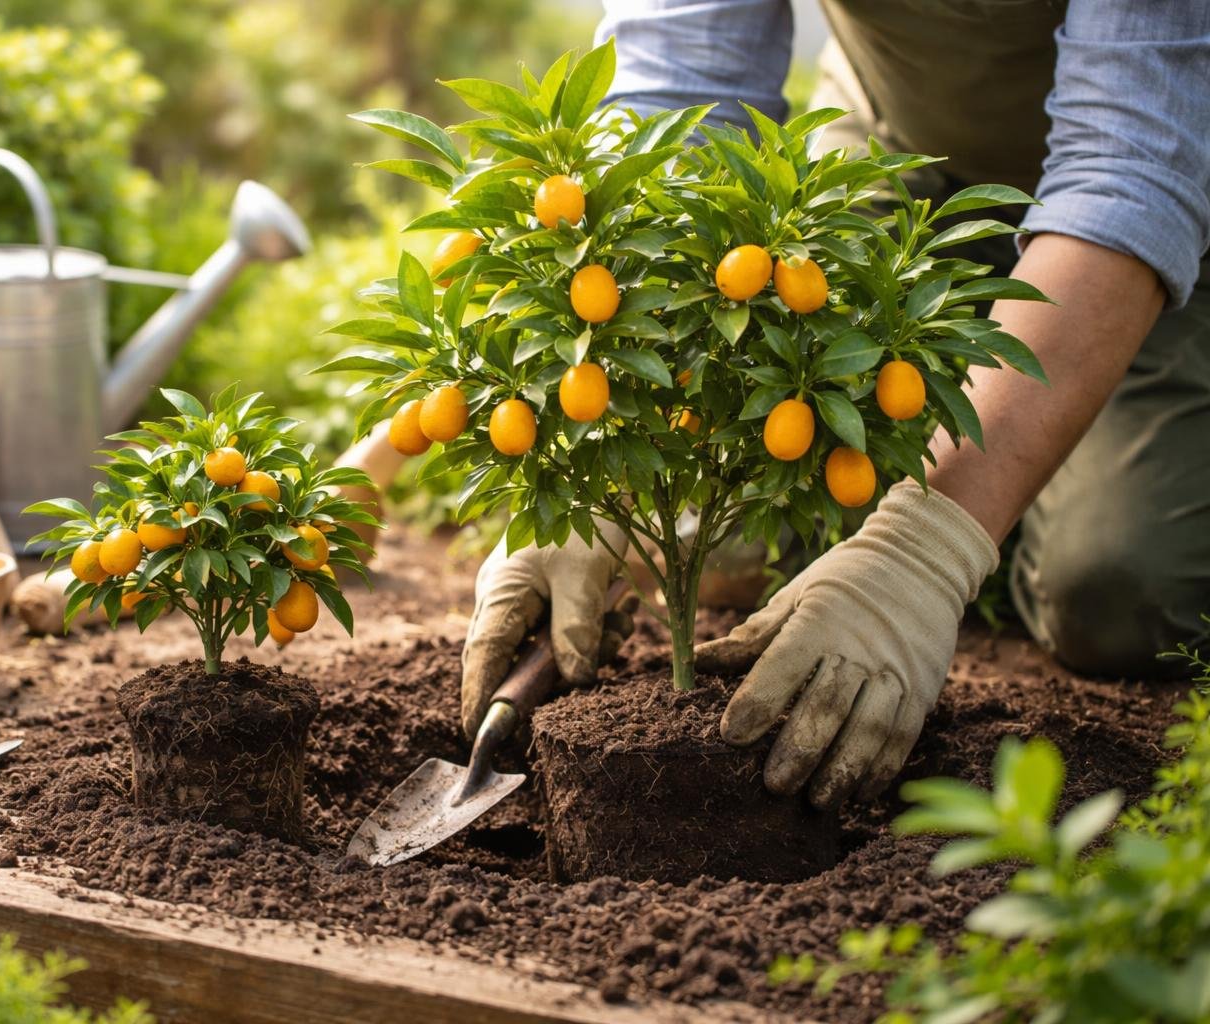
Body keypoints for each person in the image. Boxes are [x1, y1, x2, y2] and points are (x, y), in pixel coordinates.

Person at [460, 0, 1210, 809]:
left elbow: (1130, 163)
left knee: (1119, 591)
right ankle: (987, 455)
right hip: (909, 158)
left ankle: (1009, 499)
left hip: (1167, 185)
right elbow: (681, 87)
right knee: (732, 526)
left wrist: (927, 552)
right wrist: (597, 453)